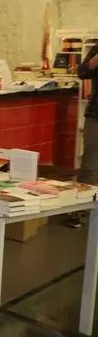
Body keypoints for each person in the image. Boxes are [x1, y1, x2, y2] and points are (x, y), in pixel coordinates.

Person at [69, 46, 98, 228]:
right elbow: (82, 72)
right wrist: (95, 62)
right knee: (90, 165)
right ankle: (80, 211)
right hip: (96, 115)